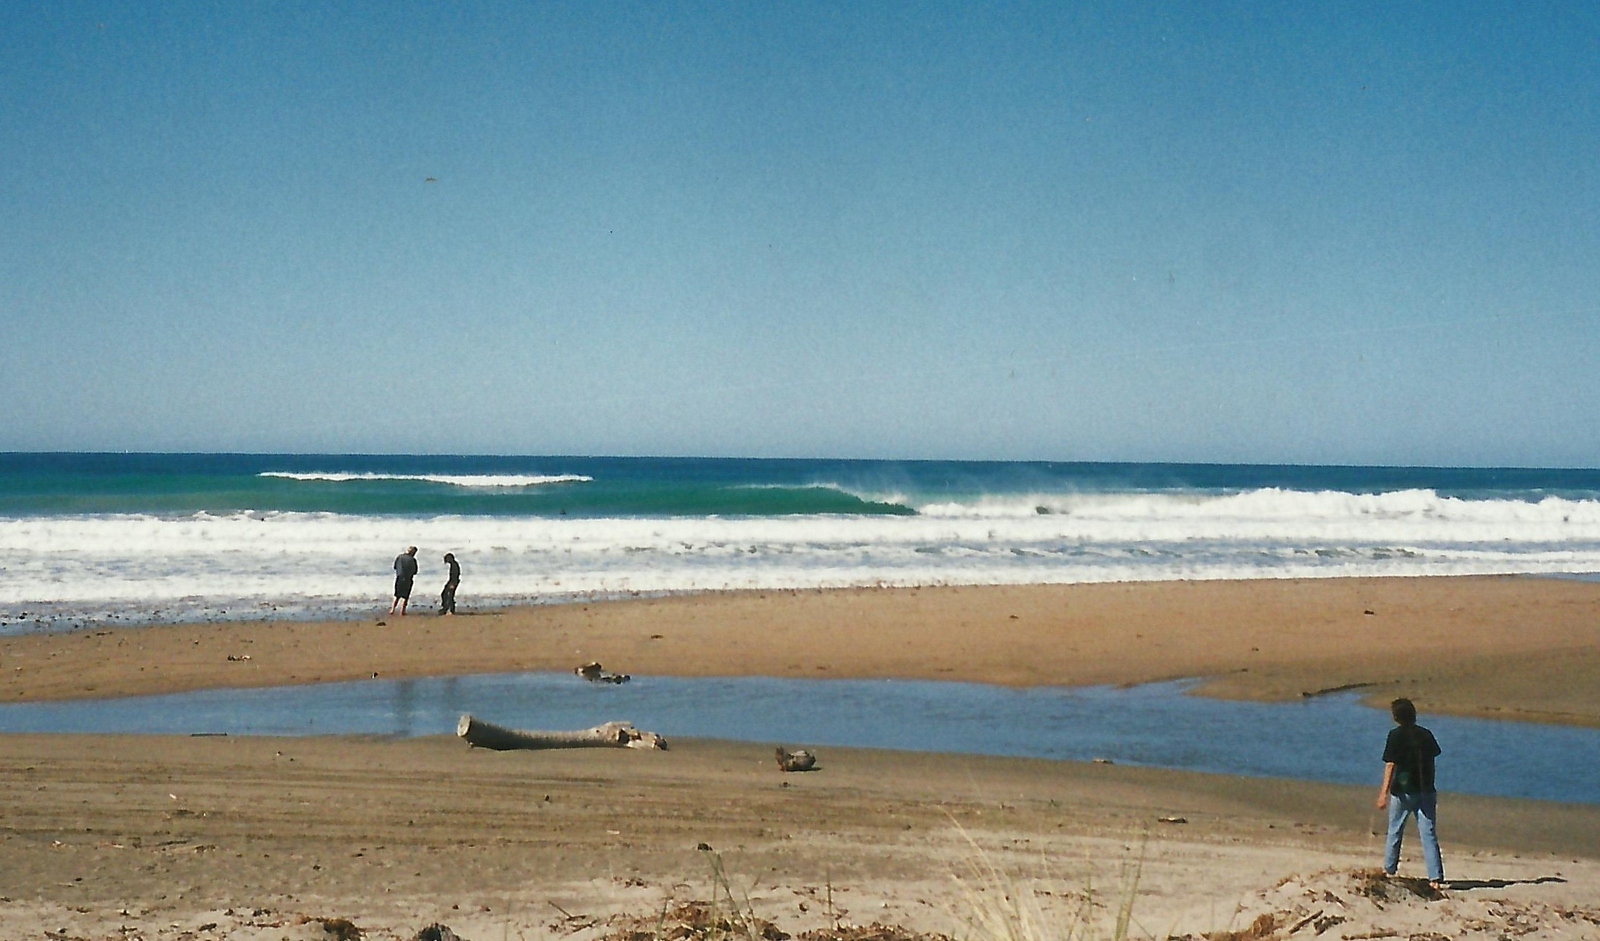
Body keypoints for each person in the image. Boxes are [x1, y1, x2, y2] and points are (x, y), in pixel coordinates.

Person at [1376, 697, 1444, 888]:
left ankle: (1389, 870)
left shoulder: (1395, 735)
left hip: (1404, 791)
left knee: (1395, 829)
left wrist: (1383, 794)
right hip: (1426, 789)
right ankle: (1435, 878)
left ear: (1396, 717)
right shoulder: (1426, 734)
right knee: (1428, 832)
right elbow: (1432, 759)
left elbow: (1390, 765)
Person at [390, 546, 419, 616]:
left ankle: (392, 609)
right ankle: (402, 611)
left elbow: (395, 567)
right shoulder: (413, 560)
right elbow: (415, 571)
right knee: (405, 597)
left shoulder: (399, 557)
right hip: (408, 579)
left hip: (399, 578)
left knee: (397, 595)